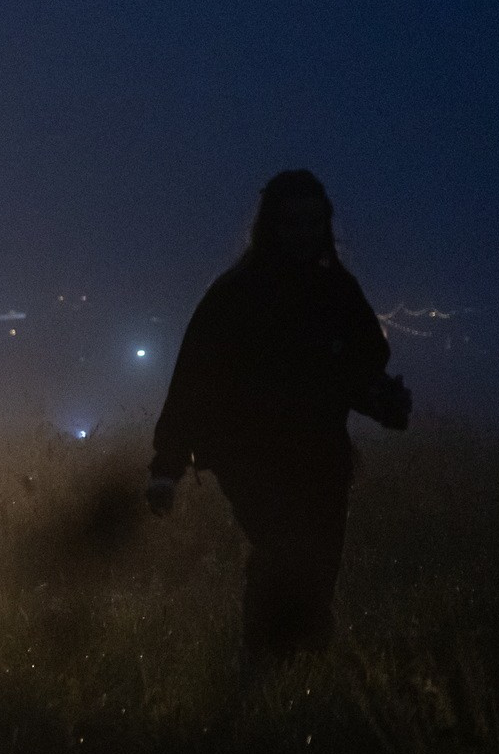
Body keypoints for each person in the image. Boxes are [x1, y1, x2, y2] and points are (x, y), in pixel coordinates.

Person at [146, 170, 409, 655]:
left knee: (317, 569)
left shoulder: (337, 293)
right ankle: (269, 669)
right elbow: (194, 379)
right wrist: (167, 466)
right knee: (284, 556)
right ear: (272, 226)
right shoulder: (237, 295)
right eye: (293, 222)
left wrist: (381, 399)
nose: (304, 233)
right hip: (252, 459)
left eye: (313, 222)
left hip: (320, 460)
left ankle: (293, 674)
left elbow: (358, 367)